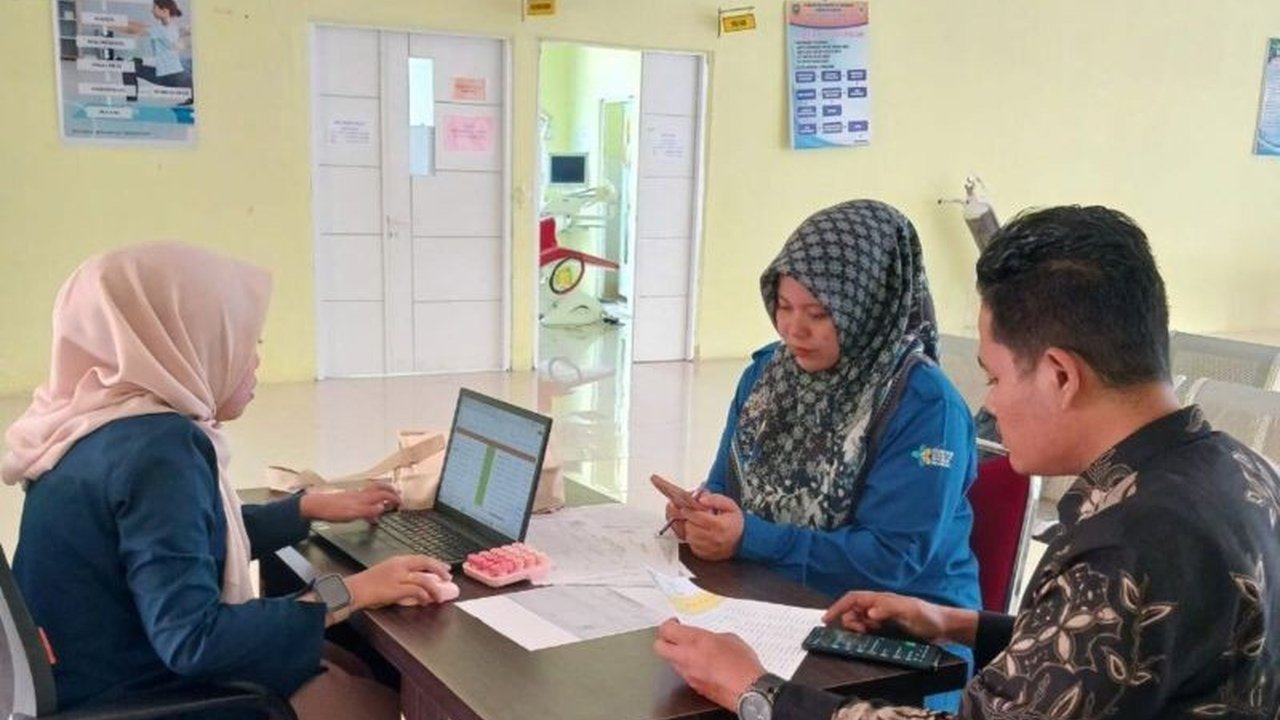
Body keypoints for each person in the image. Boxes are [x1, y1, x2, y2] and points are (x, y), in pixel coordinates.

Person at [655, 205, 1280, 719]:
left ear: (1061, 375)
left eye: (995, 377)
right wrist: (962, 625)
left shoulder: (1124, 548)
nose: (989, 404)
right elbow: (1120, 649)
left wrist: (759, 692)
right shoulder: (1242, 470)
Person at [3, 243, 455, 720]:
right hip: (134, 692)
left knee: (351, 665)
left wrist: (304, 509)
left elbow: (175, 542)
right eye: (246, 342)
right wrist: (355, 591)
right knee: (380, 702)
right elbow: (195, 640)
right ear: (190, 341)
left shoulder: (89, 425)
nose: (255, 362)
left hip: (86, 674)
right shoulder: (159, 449)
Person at [662, 199, 979, 608]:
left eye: (818, 313)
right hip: (774, 596)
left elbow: (890, 559)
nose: (794, 330)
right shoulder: (767, 376)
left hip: (899, 621)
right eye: (784, 307)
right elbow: (726, 485)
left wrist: (751, 539)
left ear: (868, 307)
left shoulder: (926, 407)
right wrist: (702, 517)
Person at [119, 0, 193, 103]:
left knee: (129, 67)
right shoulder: (172, 28)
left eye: (154, 8)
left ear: (165, 11)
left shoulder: (161, 31)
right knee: (189, 63)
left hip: (170, 77)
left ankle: (131, 102)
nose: (152, 11)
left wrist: (111, 23)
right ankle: (193, 96)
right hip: (177, 75)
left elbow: (134, 29)